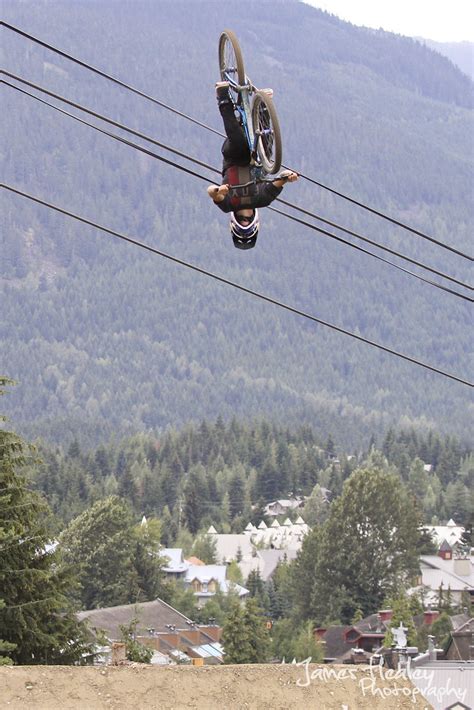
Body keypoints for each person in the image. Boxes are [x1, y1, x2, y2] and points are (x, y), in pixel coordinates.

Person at [207, 81, 298, 249]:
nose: (245, 218)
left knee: (240, 145)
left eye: (242, 221)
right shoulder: (262, 200)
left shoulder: (228, 204)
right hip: (257, 158)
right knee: (267, 153)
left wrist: (220, 190)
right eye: (247, 221)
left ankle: (223, 99)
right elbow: (279, 181)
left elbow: (212, 193)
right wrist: (288, 177)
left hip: (234, 156)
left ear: (235, 221)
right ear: (254, 222)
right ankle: (263, 108)